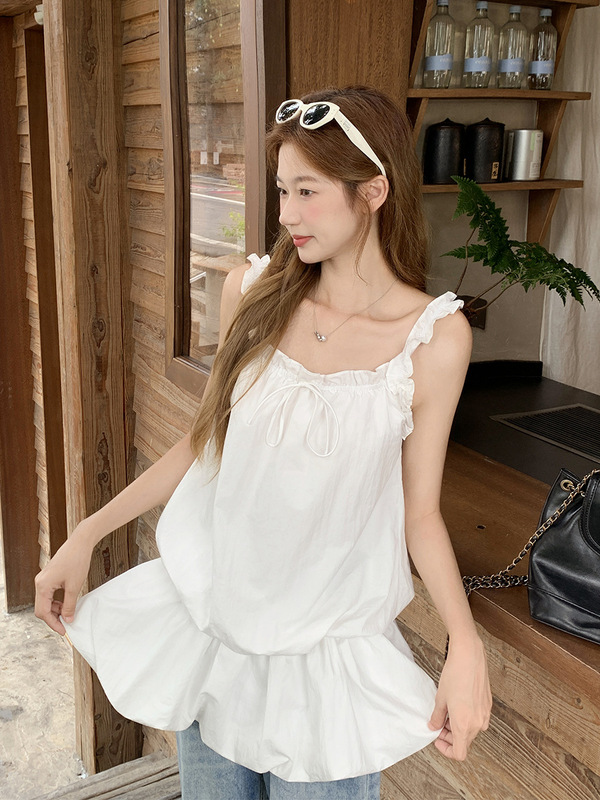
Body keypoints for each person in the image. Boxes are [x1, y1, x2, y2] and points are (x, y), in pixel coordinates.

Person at [34, 85, 492, 799]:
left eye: (307, 192)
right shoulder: (253, 293)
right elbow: (203, 443)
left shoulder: (432, 338)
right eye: (282, 190)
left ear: (373, 191)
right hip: (218, 641)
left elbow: (420, 512)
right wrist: (85, 535)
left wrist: (466, 644)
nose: (286, 215)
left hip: (324, 674)